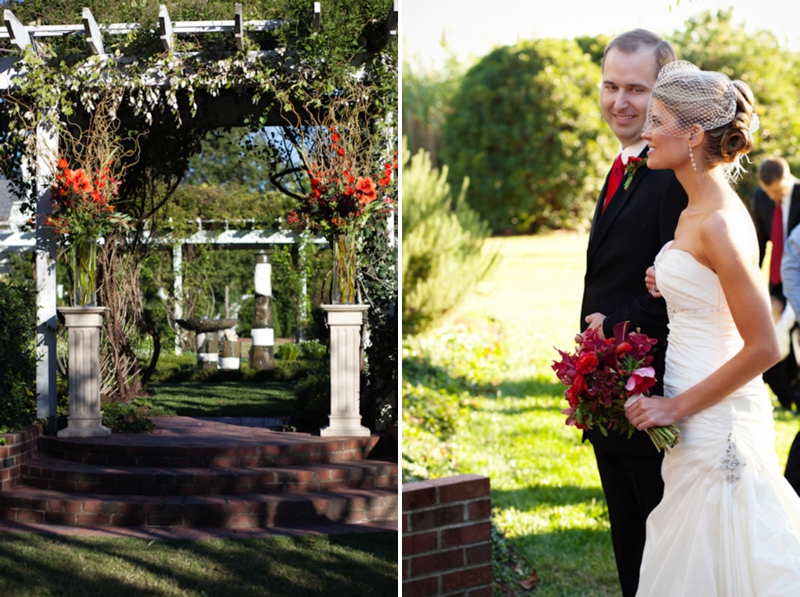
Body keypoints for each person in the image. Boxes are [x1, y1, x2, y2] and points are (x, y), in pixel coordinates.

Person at [627, 60, 800, 595]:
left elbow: (766, 345)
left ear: (693, 133)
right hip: (692, 406)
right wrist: (670, 281)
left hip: (713, 417)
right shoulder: (694, 211)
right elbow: (712, 291)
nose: (646, 132)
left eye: (657, 120)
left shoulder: (720, 220)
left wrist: (674, 407)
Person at [579, 29, 688, 597]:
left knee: (656, 551)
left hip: (652, 394)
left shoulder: (672, 174)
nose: (619, 101)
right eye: (610, 86)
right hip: (609, 395)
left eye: (636, 89)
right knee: (631, 549)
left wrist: (613, 331)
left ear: (663, 92)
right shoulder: (623, 162)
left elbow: (679, 283)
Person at [750, 156, 800, 411]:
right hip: (776, 283)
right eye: (769, 192)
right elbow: (759, 245)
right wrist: (753, 285)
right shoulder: (761, 198)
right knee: (778, 338)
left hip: (799, 281)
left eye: (777, 192)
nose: (773, 198)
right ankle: (789, 397)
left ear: (788, 179)